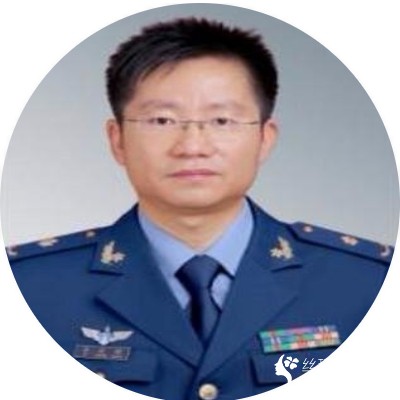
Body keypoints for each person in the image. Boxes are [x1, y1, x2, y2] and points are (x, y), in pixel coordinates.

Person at [6, 18, 393, 400]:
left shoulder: (367, 282)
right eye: (162, 120)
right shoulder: (28, 287)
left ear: (264, 138)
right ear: (117, 139)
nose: (192, 146)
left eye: (221, 120)